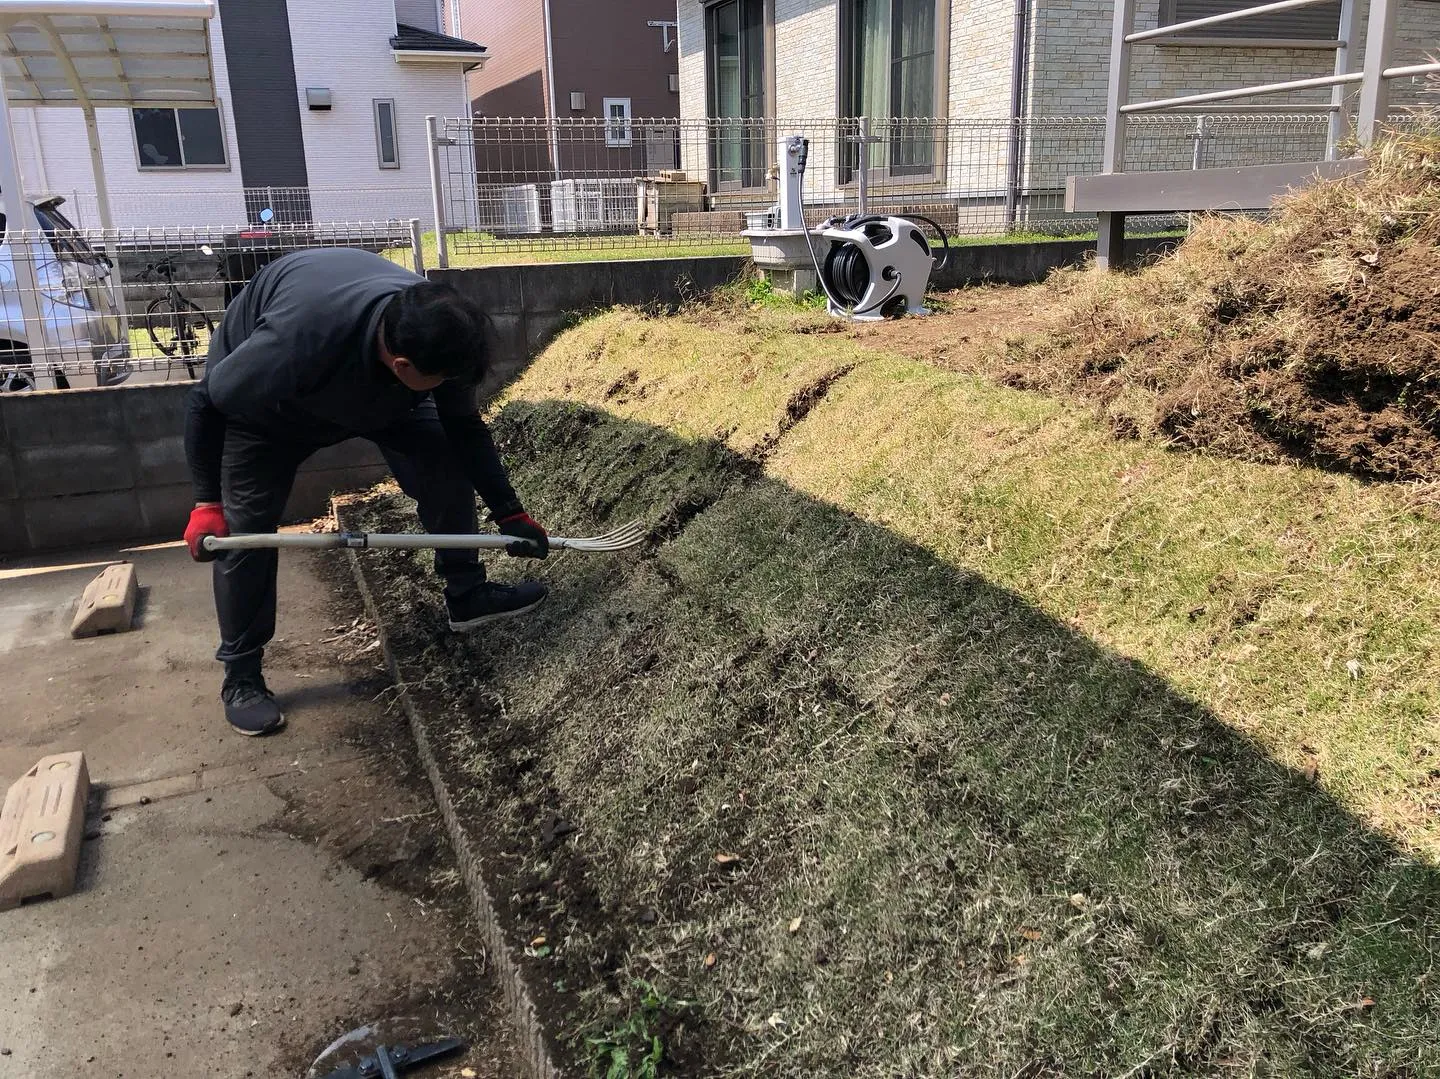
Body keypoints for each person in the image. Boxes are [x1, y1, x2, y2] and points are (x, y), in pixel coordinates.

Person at [182, 247, 549, 737]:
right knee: (246, 530)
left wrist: (509, 513)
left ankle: (468, 593)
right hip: (269, 410)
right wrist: (206, 503)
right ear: (403, 365)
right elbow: (205, 403)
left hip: (380, 391)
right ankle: (242, 674)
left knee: (443, 464)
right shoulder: (293, 344)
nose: (447, 386)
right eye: (438, 381)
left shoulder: (441, 334)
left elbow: (464, 427)